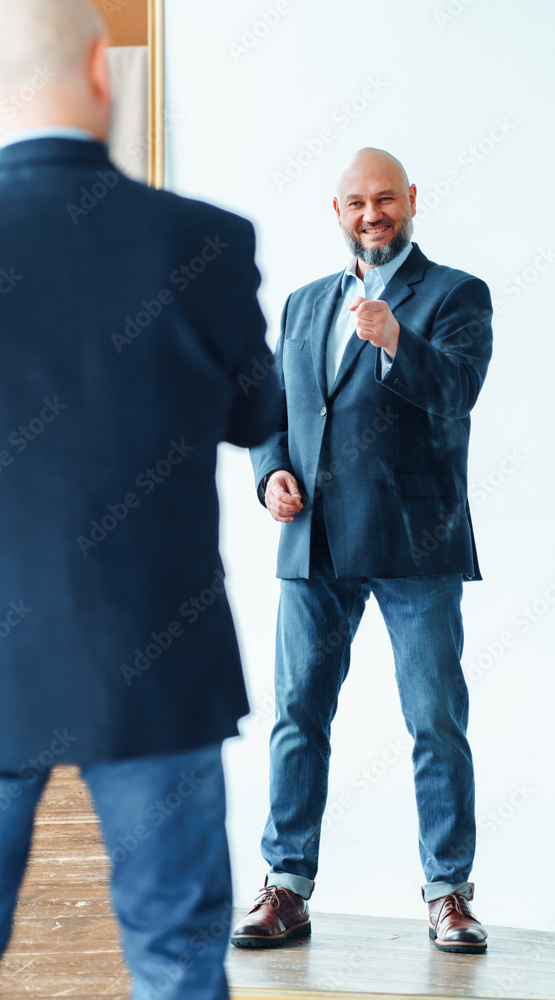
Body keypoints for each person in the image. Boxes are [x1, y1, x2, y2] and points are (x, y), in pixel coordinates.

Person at [0, 1, 279, 997]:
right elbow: (255, 413)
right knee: (178, 962)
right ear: (106, 70)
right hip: (155, 659)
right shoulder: (207, 243)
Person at [231, 148, 492, 954]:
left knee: (434, 721)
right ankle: (286, 888)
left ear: (411, 200)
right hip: (314, 541)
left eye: (385, 199)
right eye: (356, 202)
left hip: (415, 539)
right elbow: (270, 405)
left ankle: (447, 894)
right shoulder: (306, 303)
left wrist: (393, 341)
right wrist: (271, 470)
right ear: (335, 211)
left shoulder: (455, 294)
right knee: (296, 720)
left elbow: (457, 392)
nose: (371, 213)